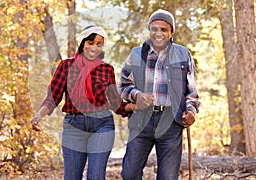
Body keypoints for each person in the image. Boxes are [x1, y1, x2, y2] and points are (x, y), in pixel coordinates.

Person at [31, 25, 135, 180]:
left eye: (99, 44)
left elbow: (115, 103)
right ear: (82, 43)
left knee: (95, 177)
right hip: (74, 125)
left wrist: (134, 105)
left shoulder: (106, 69)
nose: (94, 47)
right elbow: (53, 96)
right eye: (90, 42)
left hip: (102, 125)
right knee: (72, 176)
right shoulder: (66, 66)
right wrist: (39, 115)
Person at [118, 9, 200, 180]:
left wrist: (191, 111)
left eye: (164, 29)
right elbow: (124, 86)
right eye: (154, 28)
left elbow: (191, 92)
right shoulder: (136, 54)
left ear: (171, 33)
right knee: (129, 174)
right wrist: (136, 95)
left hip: (171, 121)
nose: (158, 33)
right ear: (149, 30)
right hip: (141, 120)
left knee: (168, 177)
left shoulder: (183, 55)